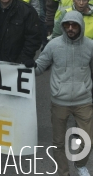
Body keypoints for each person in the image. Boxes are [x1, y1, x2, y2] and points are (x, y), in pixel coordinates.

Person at [34, 10, 93, 176]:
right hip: (59, 101)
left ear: (81, 26)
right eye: (67, 25)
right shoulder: (53, 45)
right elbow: (39, 67)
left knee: (88, 140)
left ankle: (80, 164)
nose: (71, 28)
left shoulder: (90, 45)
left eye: (74, 25)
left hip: (84, 101)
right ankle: (63, 172)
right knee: (58, 142)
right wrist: (24, 66)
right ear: (63, 26)